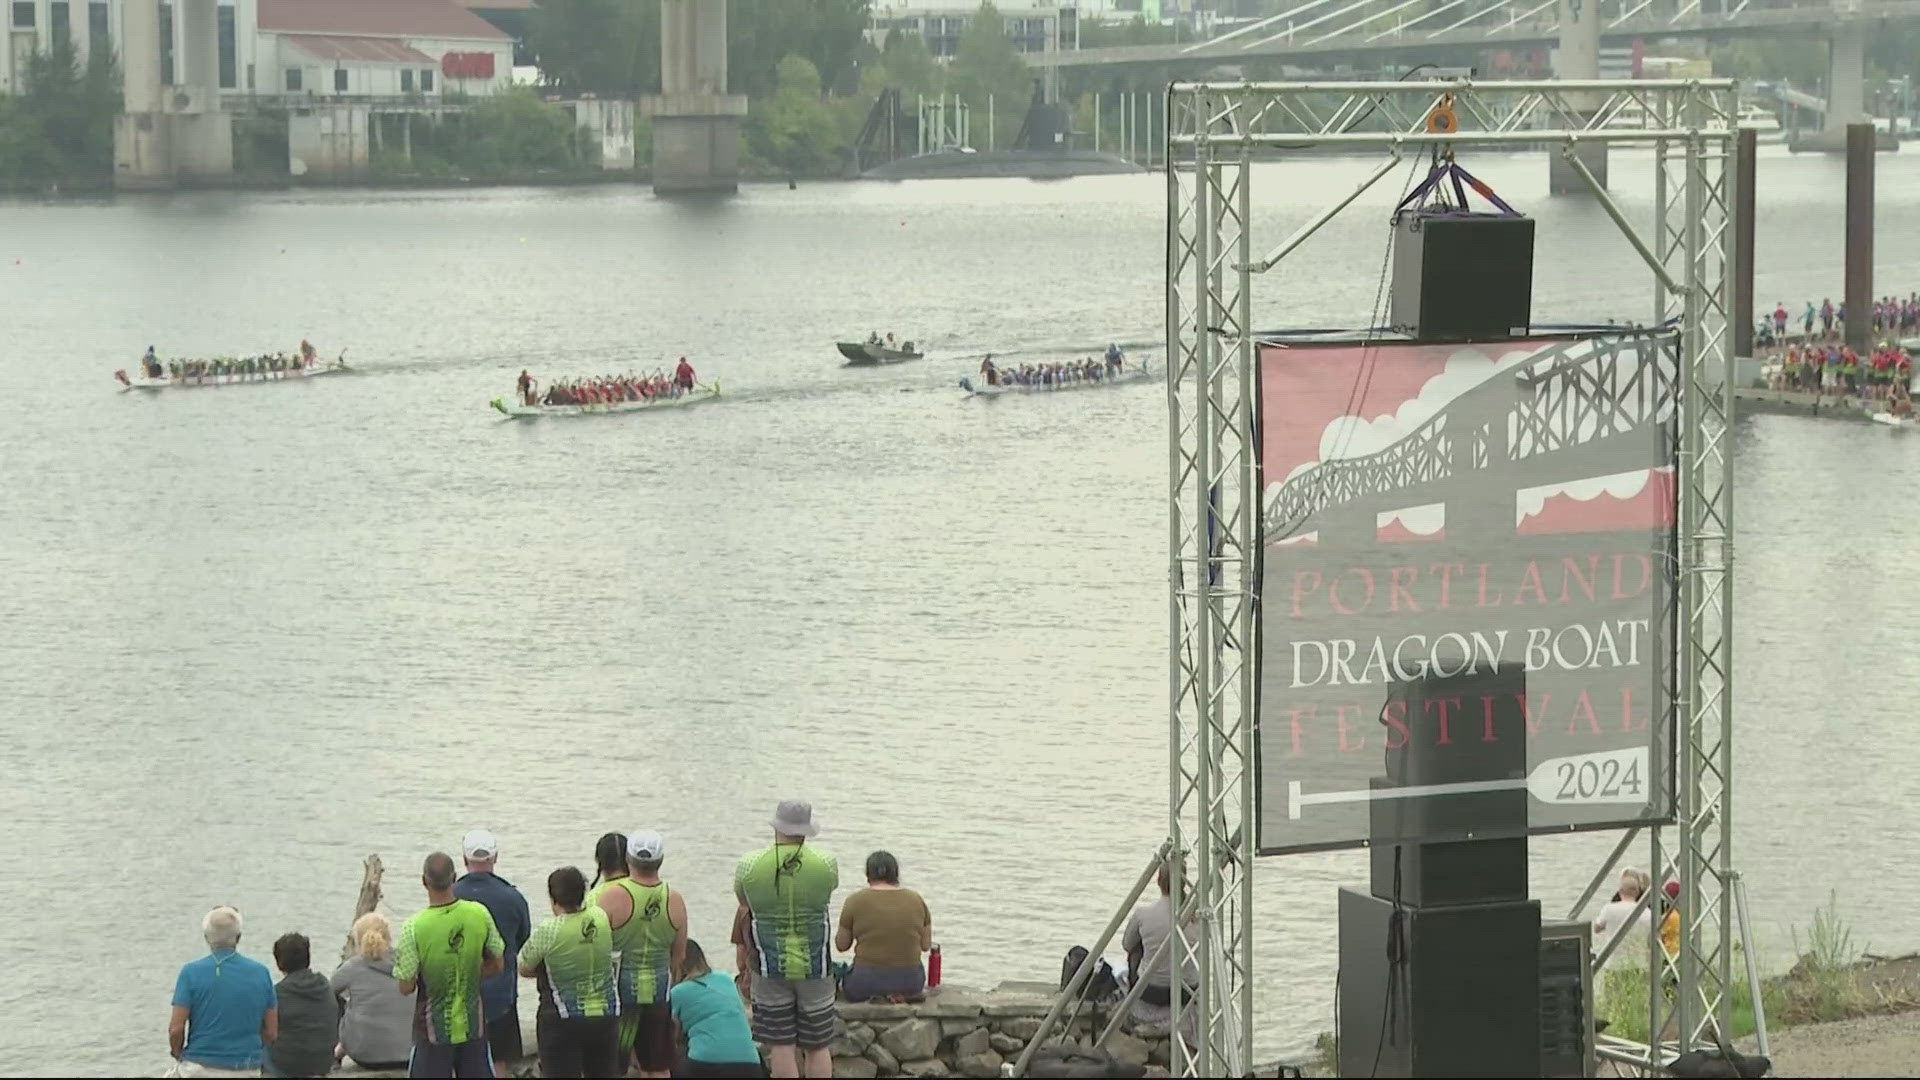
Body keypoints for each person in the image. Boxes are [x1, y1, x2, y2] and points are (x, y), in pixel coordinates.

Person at [735, 800, 839, 1080]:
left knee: (781, 1046)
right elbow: (829, 890)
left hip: (769, 966)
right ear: (806, 831)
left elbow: (744, 903)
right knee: (817, 1046)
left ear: (777, 827)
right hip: (816, 965)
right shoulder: (827, 864)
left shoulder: (749, 865)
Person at [394, 852, 507, 1079]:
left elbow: (405, 986)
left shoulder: (413, 928)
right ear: (455, 877)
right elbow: (497, 964)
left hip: (432, 1031)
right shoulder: (479, 913)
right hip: (472, 1025)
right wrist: (468, 973)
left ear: (424, 881)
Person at [593, 831, 687, 1080]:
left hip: (619, 995)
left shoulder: (611, 896)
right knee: (657, 1067)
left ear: (628, 858)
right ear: (661, 860)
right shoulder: (675, 899)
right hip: (658, 992)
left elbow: (594, 948)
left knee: (615, 1067)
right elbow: (678, 956)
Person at [519, 866, 620, 1079]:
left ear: (553, 897)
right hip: (605, 1015)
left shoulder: (550, 930)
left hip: (563, 1020)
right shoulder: (600, 917)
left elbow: (524, 967)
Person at [452, 830, 532, 1079]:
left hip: (458, 994)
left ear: (464, 860)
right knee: (499, 1059)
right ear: (495, 857)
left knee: (458, 1058)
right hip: (501, 993)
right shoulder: (512, 897)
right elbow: (522, 937)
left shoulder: (450, 896)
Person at [169, 906, 278, 1078]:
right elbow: (271, 1032)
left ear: (206, 938)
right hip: (246, 1068)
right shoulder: (261, 972)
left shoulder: (190, 973)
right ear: (238, 937)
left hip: (199, 1068)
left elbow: (176, 1029)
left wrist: (177, 1052)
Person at [835, 851, 932, 1002]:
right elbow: (926, 946)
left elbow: (841, 946)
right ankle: (896, 997)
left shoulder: (854, 901)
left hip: (865, 983)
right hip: (911, 983)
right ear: (896, 874)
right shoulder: (916, 900)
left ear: (868, 874)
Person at [671, 940, 766, 1078]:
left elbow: (670, 1036)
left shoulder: (678, 992)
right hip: (751, 1064)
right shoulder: (726, 979)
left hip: (706, 1065)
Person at [331, 913, 414, 1071]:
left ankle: (338, 1050)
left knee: (337, 1000)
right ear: (388, 936)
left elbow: (327, 991)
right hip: (409, 1053)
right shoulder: (408, 961)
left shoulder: (352, 967)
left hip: (365, 1055)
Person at [1122, 862, 1197, 1017]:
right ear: (1184, 882)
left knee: (1137, 945)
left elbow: (1127, 945)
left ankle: (1134, 1003)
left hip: (1151, 990)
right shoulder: (1197, 916)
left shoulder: (1143, 914)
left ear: (1158, 881)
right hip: (1188, 991)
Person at [265, 933, 338, 1078]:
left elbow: (267, 1032)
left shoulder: (278, 993)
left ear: (279, 963)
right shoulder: (325, 985)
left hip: (289, 1067)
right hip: (324, 1062)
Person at [1591, 869, 1653, 969]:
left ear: (1620, 891)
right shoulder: (1647, 913)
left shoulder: (1609, 909)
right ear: (1637, 892)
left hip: (1614, 965)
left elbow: (1596, 928)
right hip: (1639, 965)